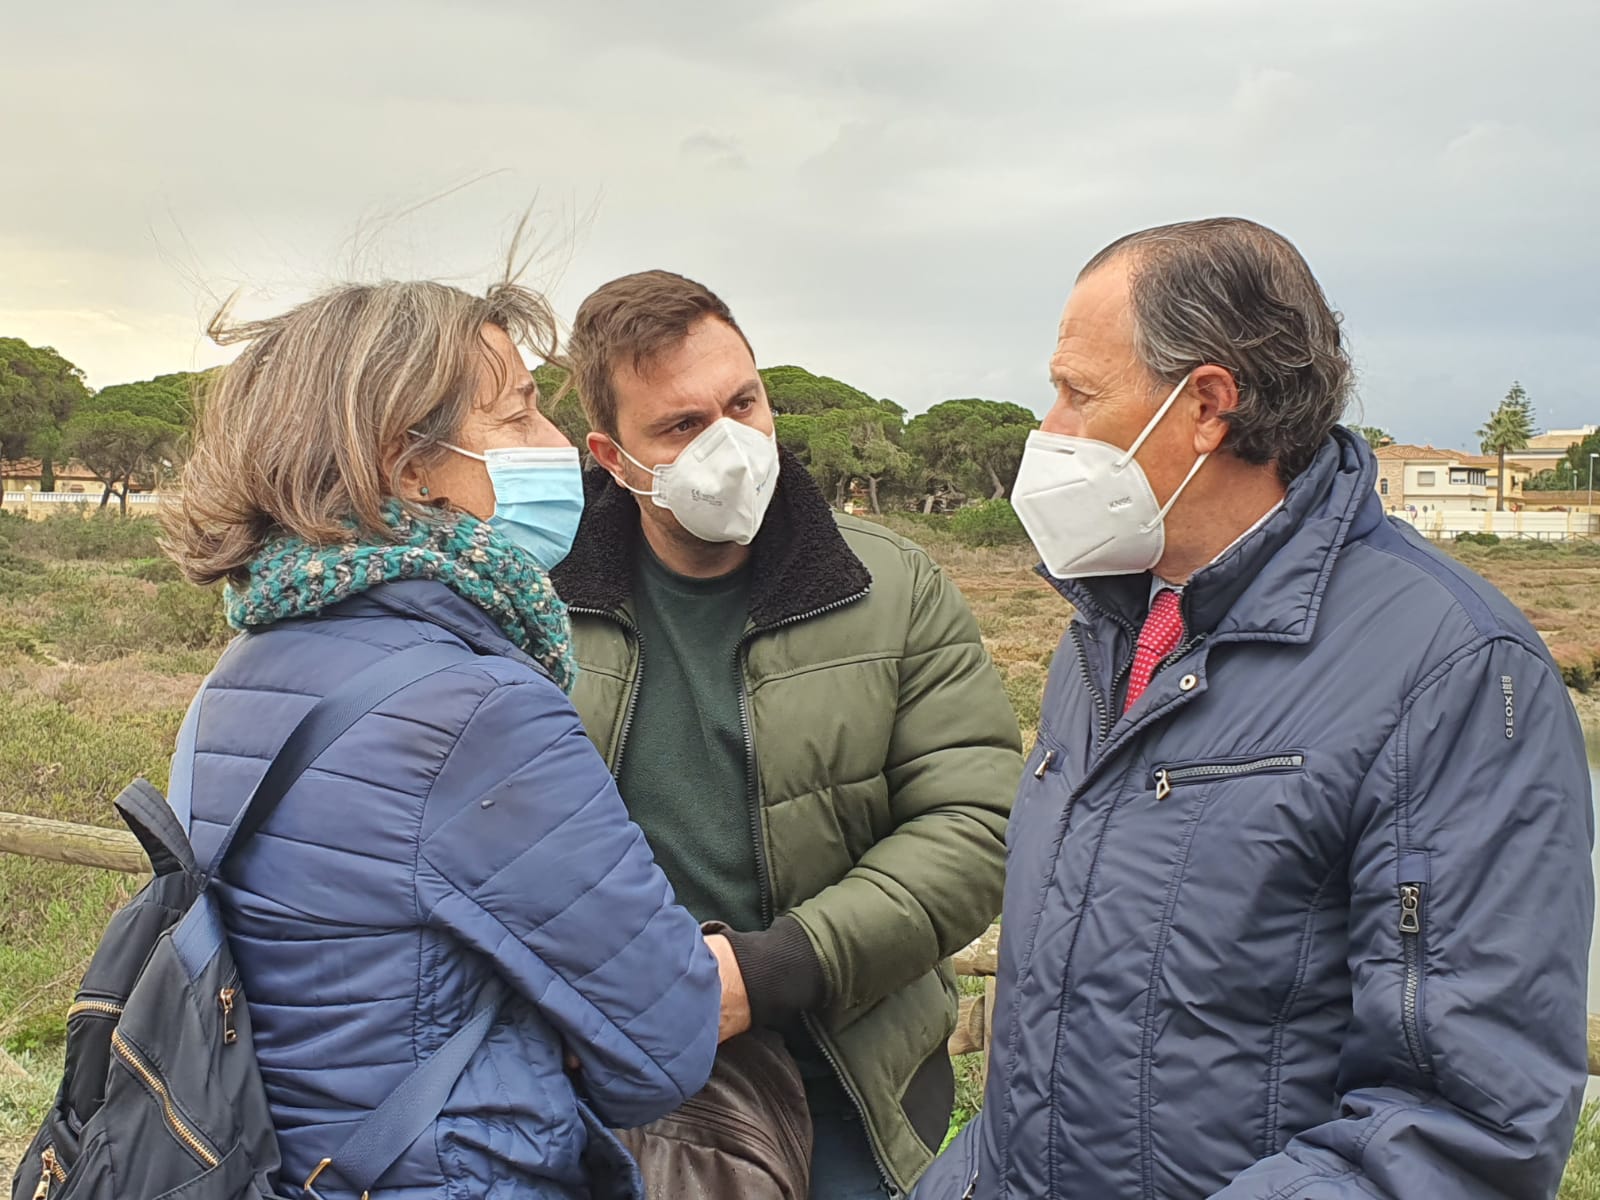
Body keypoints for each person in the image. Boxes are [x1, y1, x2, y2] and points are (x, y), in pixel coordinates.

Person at [914, 218, 1594, 1199]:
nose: (1049, 428)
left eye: (1077, 391)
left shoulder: (1451, 669)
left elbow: (1464, 1129)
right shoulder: (1105, 633)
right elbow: (1049, 1034)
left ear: (1205, 406)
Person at [164, 277, 724, 1198]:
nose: (559, 448)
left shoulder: (244, 666)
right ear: (408, 465)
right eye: (519, 417)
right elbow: (667, 1042)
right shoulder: (477, 707)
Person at [550, 270, 1023, 1198]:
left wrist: (769, 971)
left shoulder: (894, 586)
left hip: (855, 1093)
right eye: (682, 427)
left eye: (743, 401)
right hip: (608, 1099)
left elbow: (977, 822)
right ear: (613, 456)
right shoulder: (538, 604)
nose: (729, 442)